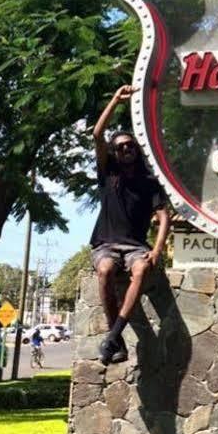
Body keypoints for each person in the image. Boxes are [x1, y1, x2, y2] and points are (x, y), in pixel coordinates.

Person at [91, 84, 171, 365]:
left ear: (136, 150)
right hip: (106, 244)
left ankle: (112, 336)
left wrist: (157, 249)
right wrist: (115, 99)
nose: (126, 149)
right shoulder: (108, 172)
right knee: (105, 270)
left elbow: (163, 215)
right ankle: (118, 338)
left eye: (130, 146)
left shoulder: (149, 183)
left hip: (136, 246)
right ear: (114, 152)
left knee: (141, 268)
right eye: (120, 147)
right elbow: (97, 134)